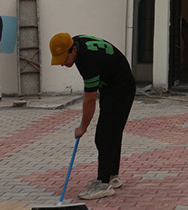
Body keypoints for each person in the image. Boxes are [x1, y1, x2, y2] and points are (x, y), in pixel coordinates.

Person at [50, 33, 136, 201]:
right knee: (112, 132)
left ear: (73, 49)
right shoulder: (77, 44)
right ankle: (112, 176)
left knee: (104, 136)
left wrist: (83, 126)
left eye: (64, 58)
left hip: (121, 88)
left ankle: (103, 184)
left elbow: (89, 99)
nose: (62, 63)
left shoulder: (88, 60)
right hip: (111, 87)